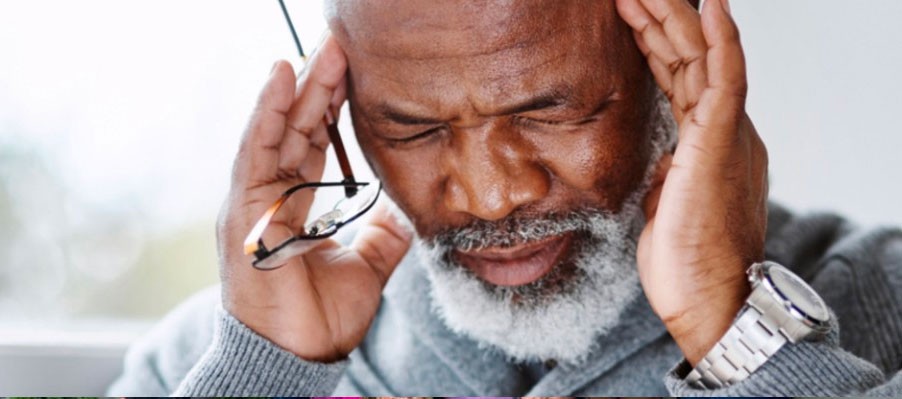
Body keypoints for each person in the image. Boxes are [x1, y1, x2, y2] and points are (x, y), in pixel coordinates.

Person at [108, 0, 902, 396]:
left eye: (548, 111)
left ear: (669, 64)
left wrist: (743, 336)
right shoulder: (201, 362)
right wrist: (266, 373)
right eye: (412, 128)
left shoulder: (887, 303)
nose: (491, 197)